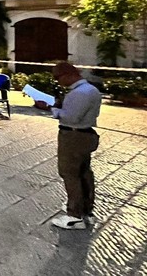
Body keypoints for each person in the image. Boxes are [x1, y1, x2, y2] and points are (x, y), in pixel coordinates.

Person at [49, 62, 101, 230]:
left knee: (70, 174)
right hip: (84, 134)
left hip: (73, 136)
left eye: (58, 77)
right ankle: (85, 208)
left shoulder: (79, 93)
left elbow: (70, 118)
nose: (57, 81)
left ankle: (74, 216)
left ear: (68, 74)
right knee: (83, 172)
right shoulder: (89, 89)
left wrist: (53, 110)